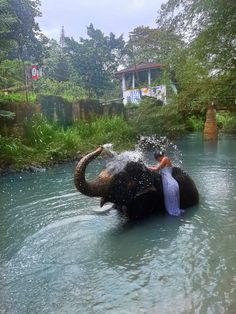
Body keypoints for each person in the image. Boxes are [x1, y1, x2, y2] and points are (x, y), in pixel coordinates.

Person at [148, 150, 182, 216]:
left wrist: (146, 167)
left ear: (158, 157)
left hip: (170, 184)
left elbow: (156, 169)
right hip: (167, 185)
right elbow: (155, 166)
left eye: (157, 159)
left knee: (173, 207)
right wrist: (149, 166)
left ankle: (177, 219)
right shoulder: (162, 161)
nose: (157, 161)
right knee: (170, 205)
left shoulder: (165, 158)